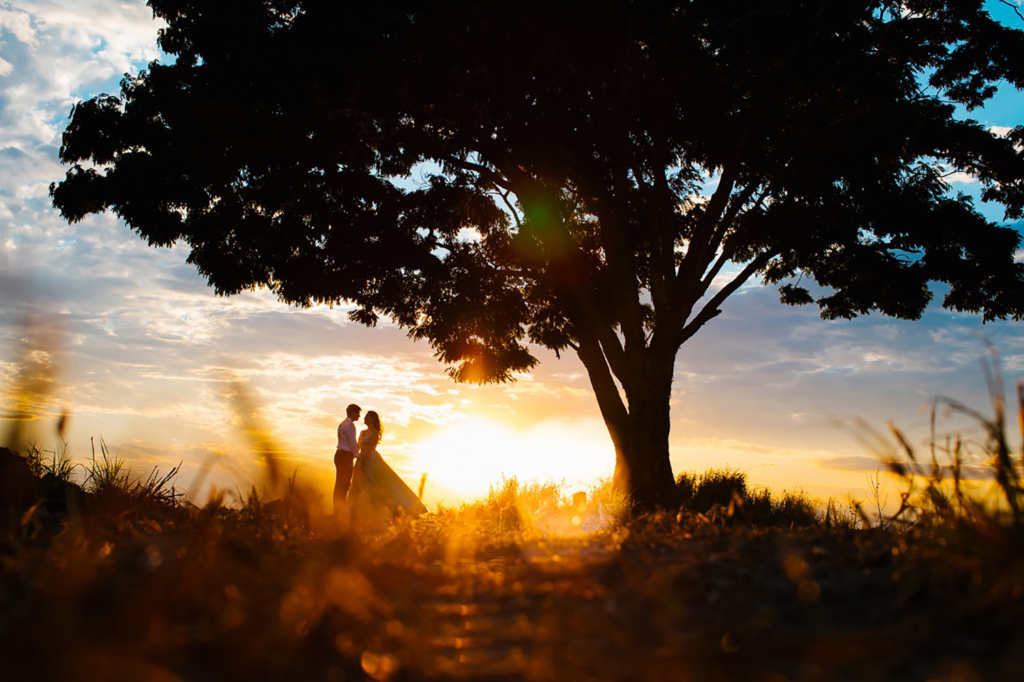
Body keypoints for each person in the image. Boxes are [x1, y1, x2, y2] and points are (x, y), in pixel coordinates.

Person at [349, 410, 427, 526]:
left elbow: (369, 449)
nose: (364, 418)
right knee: (360, 484)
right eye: (365, 417)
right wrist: (354, 455)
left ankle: (392, 510)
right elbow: (358, 447)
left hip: (371, 461)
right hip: (361, 459)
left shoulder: (374, 433)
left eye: (367, 417)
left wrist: (359, 460)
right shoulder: (362, 432)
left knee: (377, 484)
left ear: (372, 419)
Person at [334, 403, 361, 517]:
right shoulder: (350, 425)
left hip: (339, 454)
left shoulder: (342, 424)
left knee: (339, 483)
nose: (359, 416)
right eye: (358, 413)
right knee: (344, 484)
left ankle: (337, 509)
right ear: (352, 412)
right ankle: (340, 511)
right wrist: (358, 456)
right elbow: (352, 443)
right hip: (345, 456)